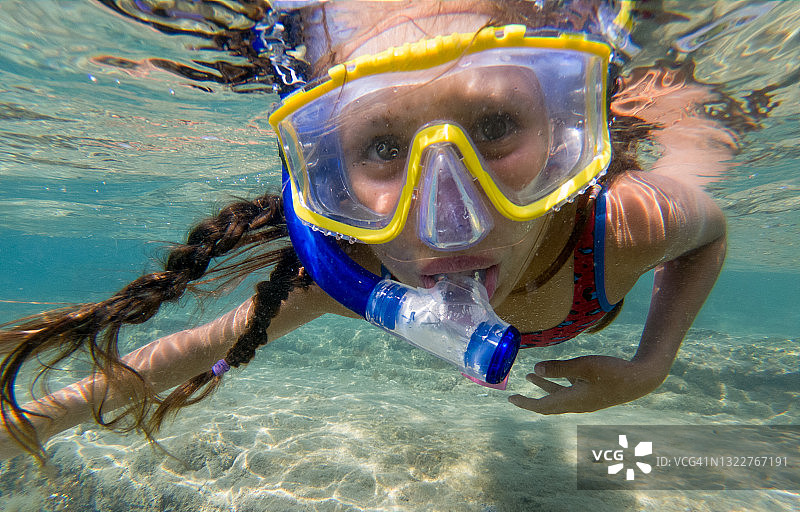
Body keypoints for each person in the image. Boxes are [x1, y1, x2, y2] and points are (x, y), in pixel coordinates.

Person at [0, 0, 740, 463]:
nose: (449, 220)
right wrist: (35, 421)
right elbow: (194, 348)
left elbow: (708, 235)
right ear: (328, 179)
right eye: (385, 147)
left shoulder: (619, 227)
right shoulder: (357, 270)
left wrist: (651, 366)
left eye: (493, 126)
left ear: (563, 137)